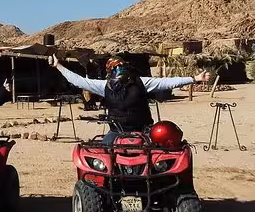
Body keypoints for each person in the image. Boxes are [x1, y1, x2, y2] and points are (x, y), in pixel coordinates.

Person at [48, 54, 211, 144]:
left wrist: (194, 78)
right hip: (118, 132)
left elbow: (166, 82)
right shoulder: (107, 85)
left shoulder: (139, 82)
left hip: (143, 132)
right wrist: (58, 66)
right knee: (102, 163)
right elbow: (79, 81)